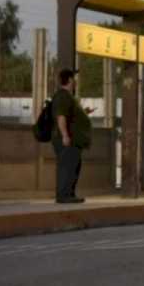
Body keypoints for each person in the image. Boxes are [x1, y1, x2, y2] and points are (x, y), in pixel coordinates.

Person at [51, 68, 93, 203]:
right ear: (69, 80)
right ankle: (63, 195)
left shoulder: (68, 96)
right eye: (74, 78)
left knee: (73, 166)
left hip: (73, 140)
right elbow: (61, 116)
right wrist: (65, 135)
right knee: (67, 166)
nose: (75, 81)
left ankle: (70, 194)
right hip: (66, 139)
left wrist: (84, 113)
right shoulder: (62, 95)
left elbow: (69, 116)